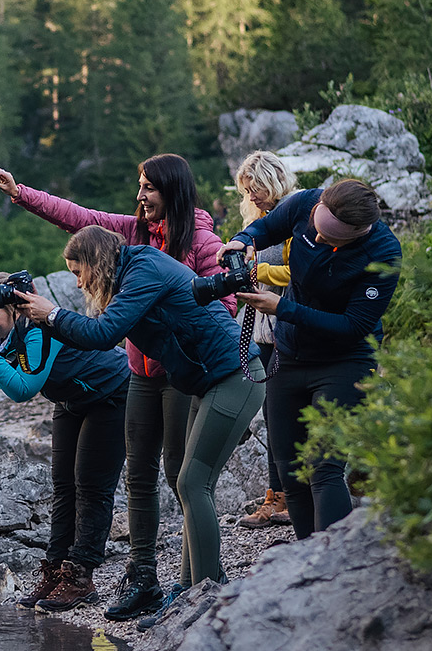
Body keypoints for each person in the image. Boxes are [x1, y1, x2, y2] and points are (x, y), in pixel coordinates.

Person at [0, 155, 223, 621]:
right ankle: (143, 576)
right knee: (138, 478)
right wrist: (20, 194)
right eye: (138, 186)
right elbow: (81, 219)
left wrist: (193, 338)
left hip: (181, 372)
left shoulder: (202, 241)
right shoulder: (129, 234)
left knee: (181, 474)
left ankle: (193, 581)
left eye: (149, 188)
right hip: (139, 371)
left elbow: (222, 300)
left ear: (172, 191)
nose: (140, 196)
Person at [14, 225, 260, 605]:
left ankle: (210, 599)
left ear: (96, 262)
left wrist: (53, 314)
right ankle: (185, 592)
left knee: (194, 484)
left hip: (235, 374)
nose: (78, 284)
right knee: (186, 483)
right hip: (207, 381)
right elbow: (94, 333)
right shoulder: (129, 273)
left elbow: (104, 335)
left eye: (78, 273)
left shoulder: (143, 269)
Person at [223, 177, 401, 540]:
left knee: (323, 466)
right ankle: (306, 561)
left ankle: (333, 565)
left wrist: (282, 308)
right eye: (316, 231)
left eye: (329, 239)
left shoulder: (383, 253)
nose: (318, 240)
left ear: (356, 233)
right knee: (291, 471)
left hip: (345, 361)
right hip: (290, 356)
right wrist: (243, 241)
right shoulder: (305, 202)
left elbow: (353, 325)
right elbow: (267, 226)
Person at [0, 272, 131, 613]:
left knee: (90, 485)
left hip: (114, 392)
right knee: (63, 487)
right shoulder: (0, 336)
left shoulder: (39, 329)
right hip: (71, 399)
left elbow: (22, 390)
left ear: (15, 310)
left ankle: (81, 577)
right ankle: (57, 568)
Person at [227, 151, 298, 529]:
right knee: (271, 414)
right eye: (247, 191)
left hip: (288, 323)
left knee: (281, 413)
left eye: (255, 189)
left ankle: (292, 493)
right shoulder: (259, 221)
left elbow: (301, 271)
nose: (251, 197)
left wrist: (259, 270)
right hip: (265, 328)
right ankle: (278, 493)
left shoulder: (295, 214)